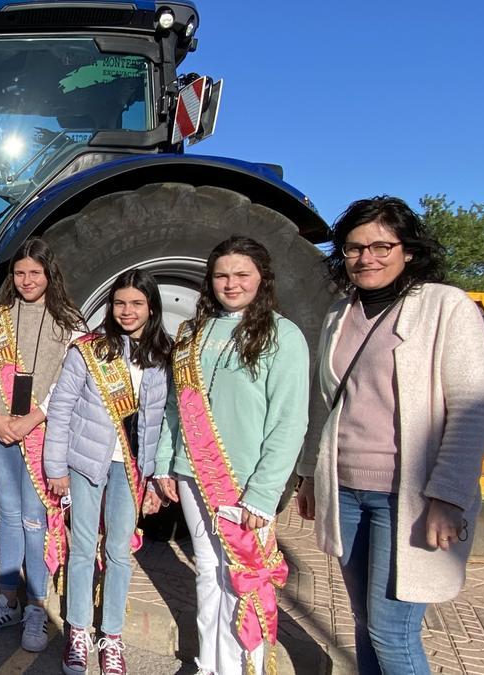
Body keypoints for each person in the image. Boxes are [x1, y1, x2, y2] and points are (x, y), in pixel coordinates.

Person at [296, 197, 484, 674]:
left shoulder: (447, 307)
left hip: (406, 497)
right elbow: (328, 402)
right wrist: (309, 475)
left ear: (408, 250)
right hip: (345, 491)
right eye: (354, 248)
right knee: (365, 623)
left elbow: (472, 412)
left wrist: (448, 497)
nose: (367, 258)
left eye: (381, 245)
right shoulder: (340, 312)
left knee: (392, 631)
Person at [151, 236, 309, 675]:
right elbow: (172, 406)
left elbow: (289, 421)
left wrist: (263, 493)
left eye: (242, 274)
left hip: (242, 482)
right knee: (208, 571)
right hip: (189, 472)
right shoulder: (191, 333)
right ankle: (211, 663)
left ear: (262, 278)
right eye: (222, 275)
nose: (231, 283)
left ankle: (246, 666)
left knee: (243, 577)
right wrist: (165, 461)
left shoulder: (284, 335)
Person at [45, 269, 172, 675]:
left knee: (119, 551)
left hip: (131, 470)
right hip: (86, 463)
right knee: (82, 548)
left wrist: (155, 477)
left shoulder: (162, 357)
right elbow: (61, 408)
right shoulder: (88, 350)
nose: (127, 311)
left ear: (151, 307)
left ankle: (111, 636)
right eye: (120, 303)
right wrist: (56, 467)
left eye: (136, 303)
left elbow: (165, 422)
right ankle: (78, 631)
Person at [0, 238, 85, 652]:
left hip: (43, 434)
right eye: (20, 273)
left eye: (35, 272)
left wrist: (33, 418)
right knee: (10, 515)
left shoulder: (70, 323)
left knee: (36, 519)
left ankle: (37, 605)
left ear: (49, 275)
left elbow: (71, 383)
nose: (27, 280)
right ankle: (8, 599)